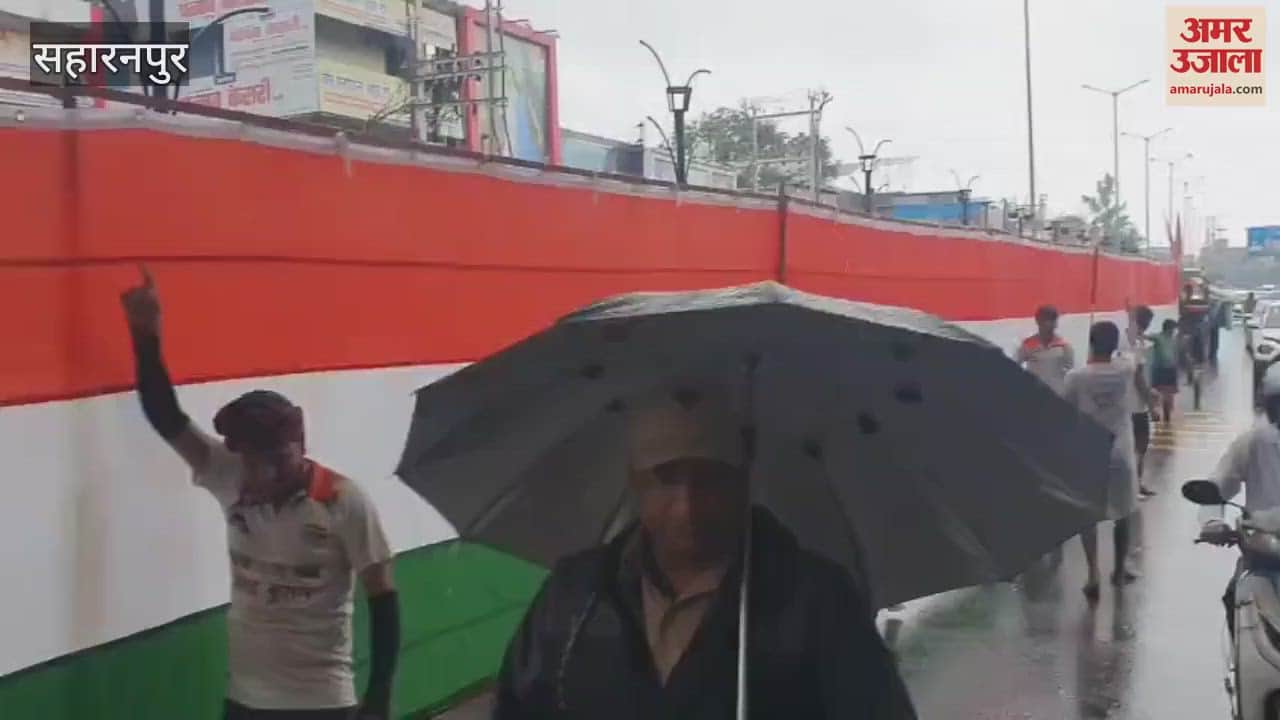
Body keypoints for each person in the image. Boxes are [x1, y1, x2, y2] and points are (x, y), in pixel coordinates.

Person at [494, 386, 916, 719]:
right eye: (666, 478)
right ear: (635, 482)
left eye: (709, 478)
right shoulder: (574, 596)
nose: (688, 506)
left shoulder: (816, 600)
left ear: (743, 479)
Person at [119, 267, 400, 720]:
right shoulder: (227, 473)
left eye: (272, 461)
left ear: (295, 450)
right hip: (247, 699)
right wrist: (145, 334)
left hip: (323, 702)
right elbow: (165, 416)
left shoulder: (343, 501)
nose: (253, 474)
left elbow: (383, 597)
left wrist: (380, 698)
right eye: (248, 460)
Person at [1200, 364, 1280, 635]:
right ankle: (1239, 668)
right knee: (1235, 595)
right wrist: (1213, 521)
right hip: (1266, 552)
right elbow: (1218, 484)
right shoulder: (1252, 443)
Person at [1063, 321, 1140, 600]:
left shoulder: (1076, 377)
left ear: (1091, 342)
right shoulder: (1124, 371)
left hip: (1089, 453)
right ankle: (1119, 570)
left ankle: (1093, 572)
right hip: (1120, 453)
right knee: (1123, 514)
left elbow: (1066, 411)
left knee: (1088, 515)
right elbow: (1131, 355)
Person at [1124, 304, 1157, 498]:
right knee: (1139, 446)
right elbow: (1138, 378)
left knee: (1135, 447)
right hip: (1136, 405)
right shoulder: (1134, 344)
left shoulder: (1127, 340)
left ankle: (1137, 484)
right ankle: (1133, 486)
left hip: (1125, 404)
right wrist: (1151, 405)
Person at [1015, 305, 1075, 396]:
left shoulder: (1064, 347)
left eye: (1053, 320)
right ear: (1038, 321)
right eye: (1046, 320)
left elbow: (1071, 372)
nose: (1050, 324)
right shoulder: (1028, 345)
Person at [1149, 319, 1180, 424]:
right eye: (1172, 329)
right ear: (1167, 329)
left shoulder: (1174, 339)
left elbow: (1176, 353)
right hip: (1160, 369)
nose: (1174, 331)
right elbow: (1146, 336)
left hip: (1171, 369)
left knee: (1169, 394)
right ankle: (1156, 412)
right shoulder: (1158, 337)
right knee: (1157, 392)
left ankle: (1167, 415)